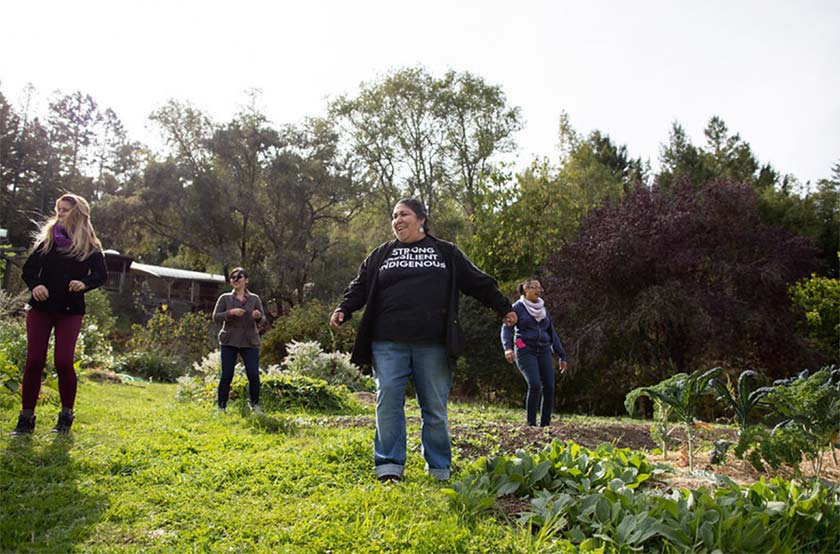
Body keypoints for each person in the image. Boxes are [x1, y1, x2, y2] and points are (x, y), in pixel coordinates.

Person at [330, 199, 517, 483]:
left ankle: (439, 468)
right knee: (388, 399)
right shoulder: (382, 254)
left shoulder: (446, 253)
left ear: (421, 219)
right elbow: (360, 286)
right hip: (387, 342)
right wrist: (344, 308)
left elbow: (478, 281)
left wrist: (504, 307)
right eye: (394, 216)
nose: (397, 220)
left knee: (433, 406)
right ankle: (389, 466)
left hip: (433, 343)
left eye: (403, 214)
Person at [11, 193, 108, 435]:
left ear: (78, 213)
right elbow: (29, 270)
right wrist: (36, 286)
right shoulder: (48, 241)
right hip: (41, 308)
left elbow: (100, 275)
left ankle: (65, 417)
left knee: (63, 361)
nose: (60, 214)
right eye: (59, 209)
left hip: (70, 310)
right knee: (34, 360)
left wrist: (84, 283)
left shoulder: (90, 247)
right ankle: (26, 419)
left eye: (65, 210)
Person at [501, 278, 567, 427]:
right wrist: (509, 348)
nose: (539, 290)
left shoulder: (543, 309)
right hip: (525, 349)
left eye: (540, 288)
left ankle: (545, 425)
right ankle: (531, 424)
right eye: (535, 287)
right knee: (535, 385)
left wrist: (561, 355)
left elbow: (552, 333)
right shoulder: (517, 307)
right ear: (526, 289)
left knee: (549, 386)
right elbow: (507, 329)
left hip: (543, 350)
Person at [213, 267, 264, 414]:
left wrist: (258, 316)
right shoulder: (225, 298)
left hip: (250, 342)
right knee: (227, 375)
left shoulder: (255, 299)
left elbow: (263, 320)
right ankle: (221, 407)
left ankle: (255, 406)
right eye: (232, 277)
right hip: (229, 341)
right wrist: (231, 313)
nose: (235, 280)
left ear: (246, 280)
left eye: (239, 277)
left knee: (253, 374)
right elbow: (216, 317)